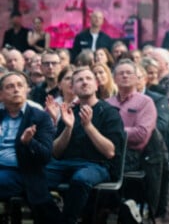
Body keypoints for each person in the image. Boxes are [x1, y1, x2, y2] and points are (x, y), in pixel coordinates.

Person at [41, 66, 125, 224]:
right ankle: (54, 218)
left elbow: (110, 152)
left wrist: (88, 126)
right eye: (79, 80)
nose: (84, 82)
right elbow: (56, 153)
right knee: (34, 176)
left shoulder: (109, 112)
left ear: (96, 85)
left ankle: (67, 221)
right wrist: (68, 127)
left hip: (97, 165)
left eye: (88, 79)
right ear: (72, 88)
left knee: (80, 179)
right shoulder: (69, 111)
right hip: (65, 164)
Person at [0, 70, 56, 218]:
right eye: (10, 86)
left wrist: (29, 142)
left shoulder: (40, 117)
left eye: (19, 85)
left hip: (23, 172)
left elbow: (45, 155)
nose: (16, 89)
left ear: (27, 90)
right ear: (1, 94)